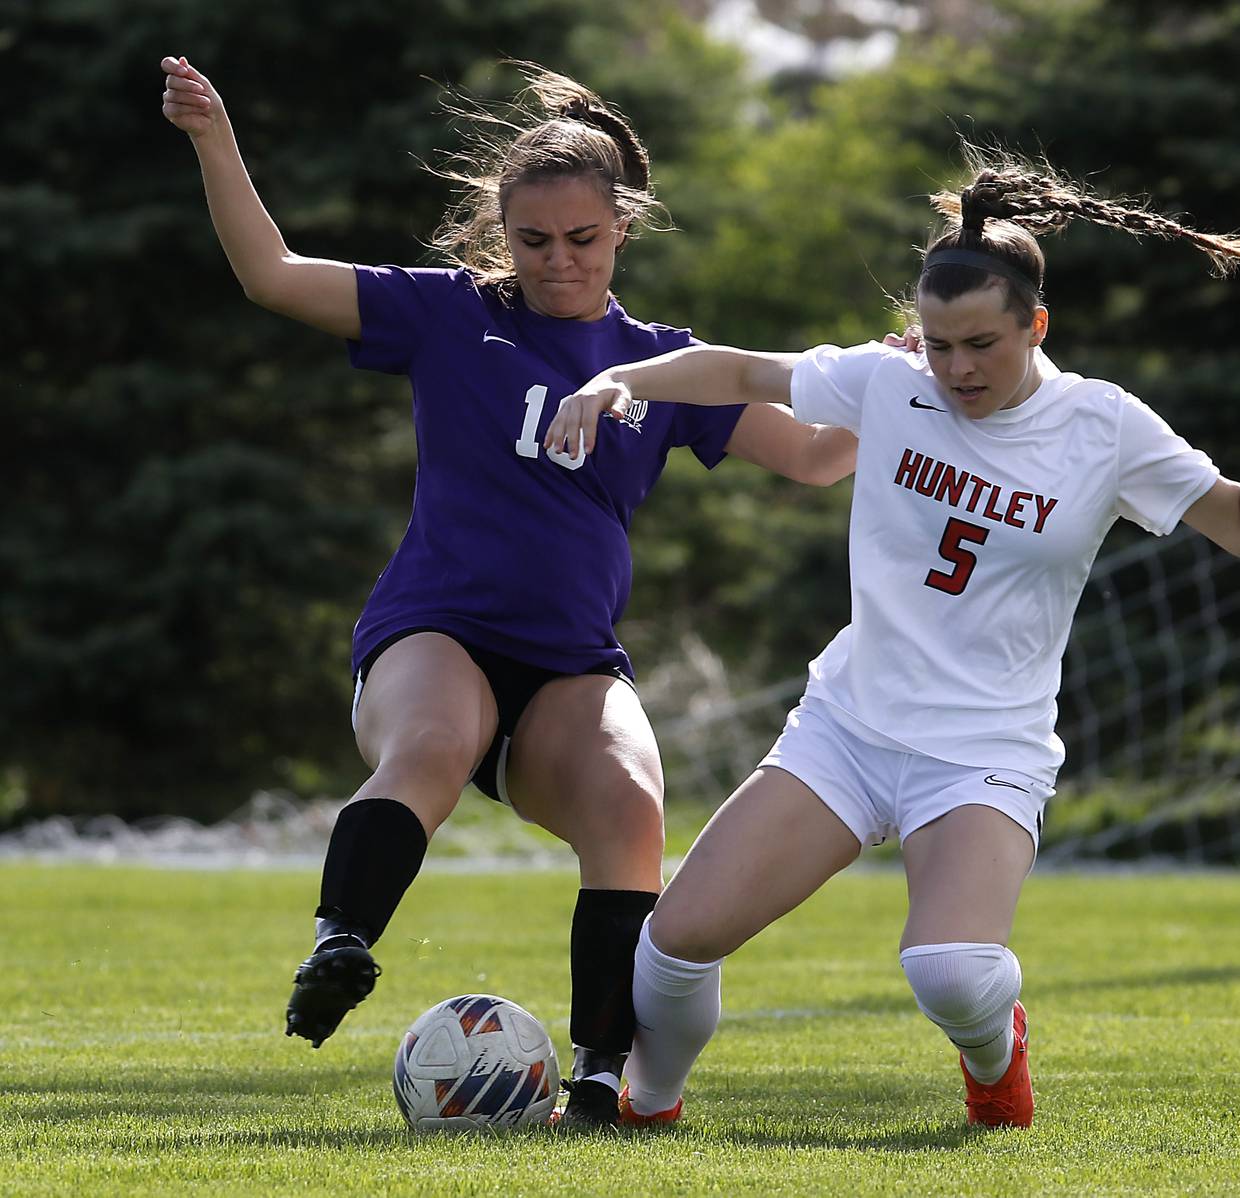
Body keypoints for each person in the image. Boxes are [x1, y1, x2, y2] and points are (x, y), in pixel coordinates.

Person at [545, 147, 1240, 1129]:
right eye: (939, 343)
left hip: (983, 748)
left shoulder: (1104, 428)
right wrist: (619, 378)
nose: (958, 367)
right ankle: (647, 1109)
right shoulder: (891, 384)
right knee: (671, 944)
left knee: (952, 971)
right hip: (848, 725)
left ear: (1035, 325)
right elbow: (736, 368)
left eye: (982, 344)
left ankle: (994, 1049)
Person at [160, 56, 857, 1128]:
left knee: (631, 800)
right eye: (533, 241)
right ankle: (342, 938)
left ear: (621, 226)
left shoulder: (661, 364)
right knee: (434, 741)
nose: (557, 261)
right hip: (434, 631)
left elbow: (815, 457)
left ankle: (596, 1075)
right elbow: (272, 273)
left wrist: (914, 383)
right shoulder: (446, 314)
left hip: (570, 661)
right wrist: (215, 138)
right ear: (502, 233)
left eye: (581, 239)